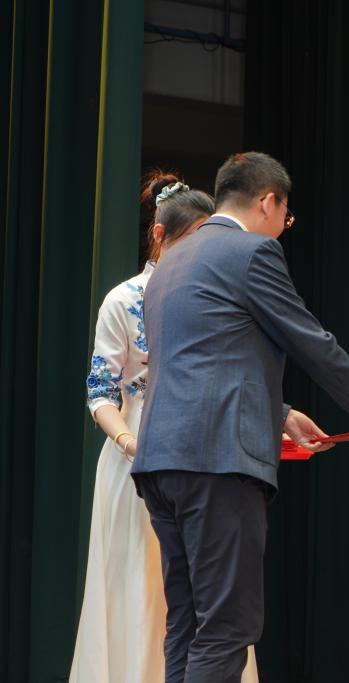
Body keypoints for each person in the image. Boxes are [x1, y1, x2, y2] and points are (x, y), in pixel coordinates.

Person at [131, 152, 349, 682]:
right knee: (225, 626)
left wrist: (279, 413)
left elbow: (196, 357)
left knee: (187, 622)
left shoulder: (172, 261)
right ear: (267, 201)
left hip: (161, 458)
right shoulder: (252, 251)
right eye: (286, 214)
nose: (284, 226)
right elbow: (312, 342)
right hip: (217, 460)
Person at [70, 173, 259, 682]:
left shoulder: (214, 295)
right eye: (192, 237)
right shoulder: (123, 299)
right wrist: (130, 440)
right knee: (140, 583)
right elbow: (100, 391)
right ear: (159, 235)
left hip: (203, 448)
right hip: (139, 449)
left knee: (208, 586)